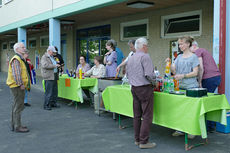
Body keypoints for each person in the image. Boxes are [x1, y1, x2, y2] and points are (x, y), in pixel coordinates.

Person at [126, 37, 157, 149]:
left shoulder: (131, 57)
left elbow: (127, 74)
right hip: (144, 88)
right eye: (147, 46)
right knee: (147, 115)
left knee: (137, 115)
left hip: (134, 88)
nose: (147, 48)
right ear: (144, 46)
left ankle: (137, 140)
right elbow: (149, 74)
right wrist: (155, 83)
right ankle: (144, 141)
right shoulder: (145, 56)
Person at [168, 36, 199, 138]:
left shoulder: (194, 57)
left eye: (182, 44)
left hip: (191, 87)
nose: (180, 46)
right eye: (179, 44)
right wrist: (169, 64)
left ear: (188, 44)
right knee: (180, 109)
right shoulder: (179, 57)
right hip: (180, 87)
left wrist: (183, 75)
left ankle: (192, 131)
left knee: (190, 110)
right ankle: (180, 129)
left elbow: (195, 72)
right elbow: (174, 70)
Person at [190, 39, 221, 132]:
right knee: (208, 101)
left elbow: (201, 68)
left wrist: (199, 82)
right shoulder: (204, 51)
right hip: (215, 77)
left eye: (190, 48)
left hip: (208, 78)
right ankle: (210, 125)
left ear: (194, 46)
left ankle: (207, 127)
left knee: (205, 102)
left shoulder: (198, 51)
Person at [6, 42, 30, 133]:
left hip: (16, 86)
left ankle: (15, 124)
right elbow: (16, 74)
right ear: (17, 49)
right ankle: (17, 126)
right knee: (18, 106)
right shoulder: (16, 59)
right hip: (17, 86)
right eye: (22, 47)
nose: (24, 48)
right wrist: (21, 84)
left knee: (17, 105)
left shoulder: (20, 59)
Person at [41, 46, 60, 110]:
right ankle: (46, 105)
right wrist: (55, 65)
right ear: (49, 51)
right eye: (53, 52)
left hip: (54, 75)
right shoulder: (44, 57)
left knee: (55, 90)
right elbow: (45, 65)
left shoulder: (52, 57)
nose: (53, 53)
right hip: (48, 76)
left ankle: (53, 103)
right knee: (49, 91)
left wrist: (56, 64)